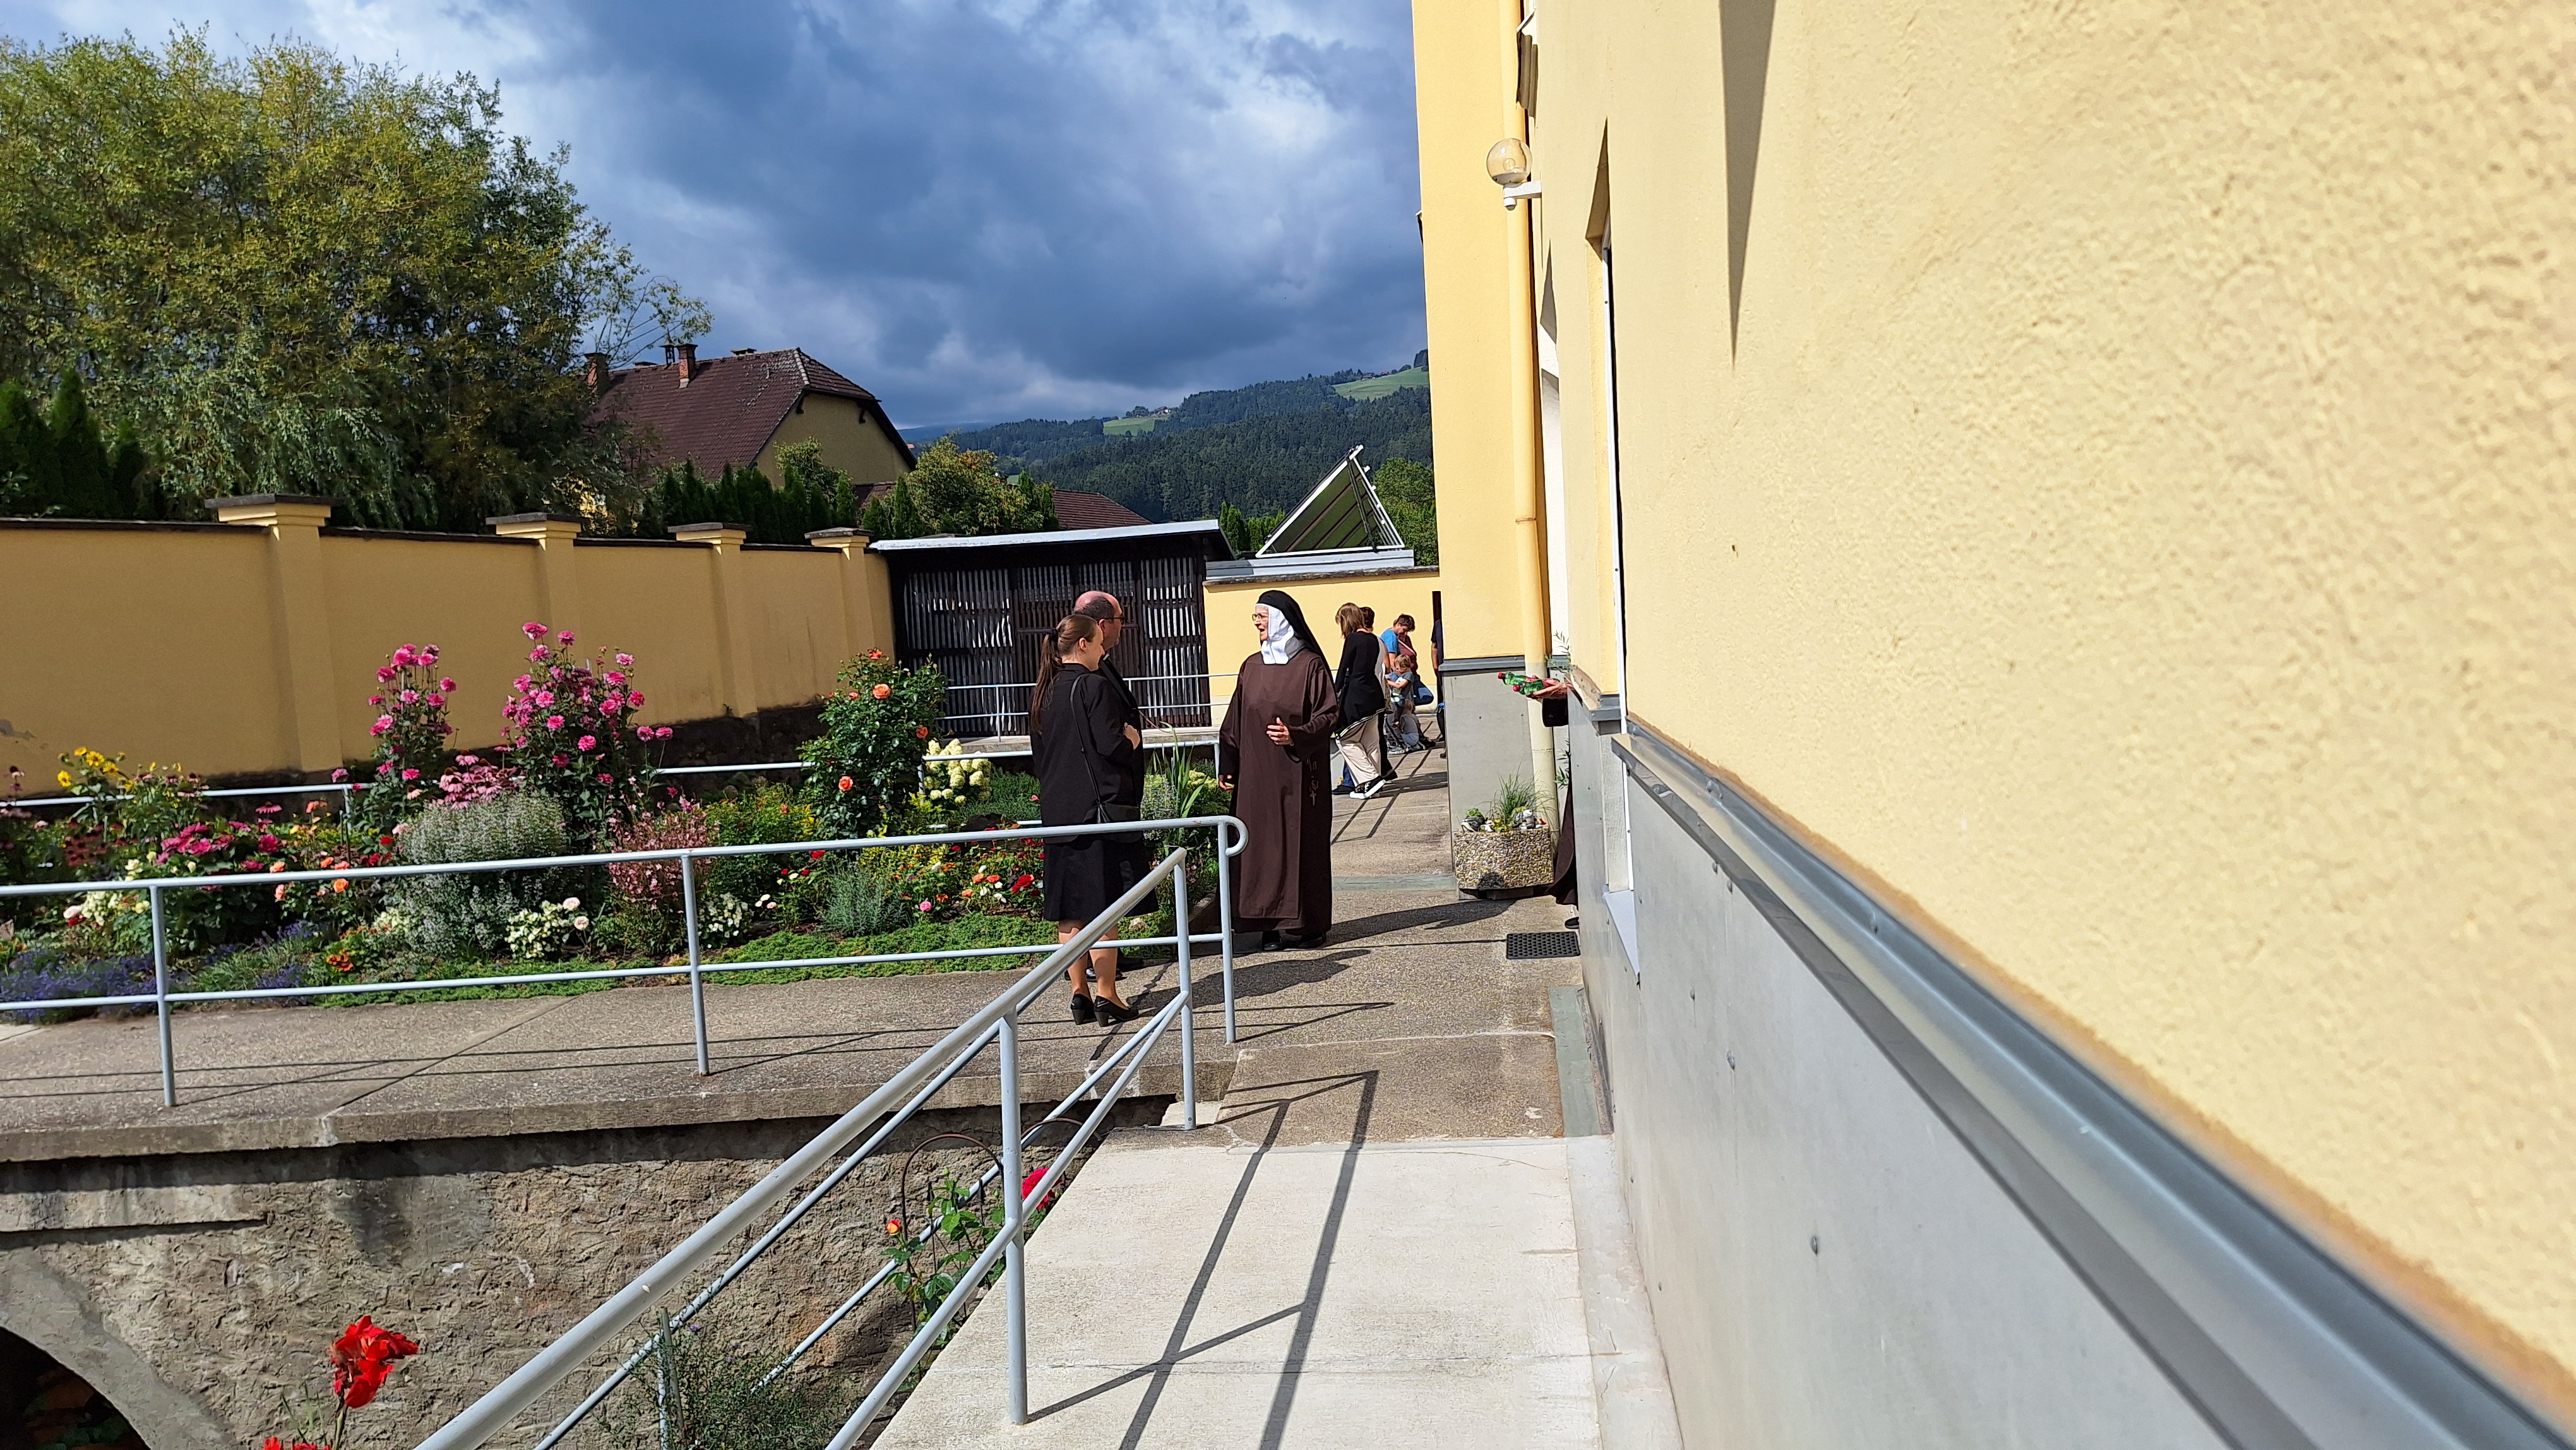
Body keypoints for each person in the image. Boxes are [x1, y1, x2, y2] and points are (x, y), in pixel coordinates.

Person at [1031, 613, 1145, 1024]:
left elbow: (1041, 757)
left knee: (1070, 911)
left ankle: (1078, 992)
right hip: (1097, 813)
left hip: (1059, 815)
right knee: (1102, 907)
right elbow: (1110, 746)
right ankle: (1107, 994)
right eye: (1098, 643)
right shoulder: (1094, 686)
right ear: (1082, 644)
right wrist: (1131, 739)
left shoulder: (1043, 691)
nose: (1102, 651)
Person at [1217, 591, 1340, 949]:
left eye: (1262, 615)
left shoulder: (1310, 666)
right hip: (1256, 779)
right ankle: (1266, 925)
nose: (1256, 622)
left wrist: (1295, 735)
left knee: (1302, 846)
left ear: (1283, 619)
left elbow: (1329, 714)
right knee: (1259, 849)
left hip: (1298, 775)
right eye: (1254, 616)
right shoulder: (1251, 666)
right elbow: (1235, 719)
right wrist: (1229, 763)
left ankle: (1307, 925)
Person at [1332, 602, 1391, 800]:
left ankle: (1371, 779)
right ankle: (1372, 787)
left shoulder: (1353, 639)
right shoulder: (1374, 639)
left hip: (1357, 694)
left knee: (1345, 739)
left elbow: (1344, 668)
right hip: (1375, 693)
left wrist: (1333, 694)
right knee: (1371, 742)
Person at [1381, 613, 1424, 753]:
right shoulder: (1392, 637)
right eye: (1404, 630)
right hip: (1394, 681)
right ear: (1398, 624)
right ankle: (1399, 743)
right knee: (1394, 716)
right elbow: (1392, 659)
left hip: (1393, 682)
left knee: (1396, 715)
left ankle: (1404, 742)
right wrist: (1397, 677)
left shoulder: (1387, 635)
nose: (1404, 634)